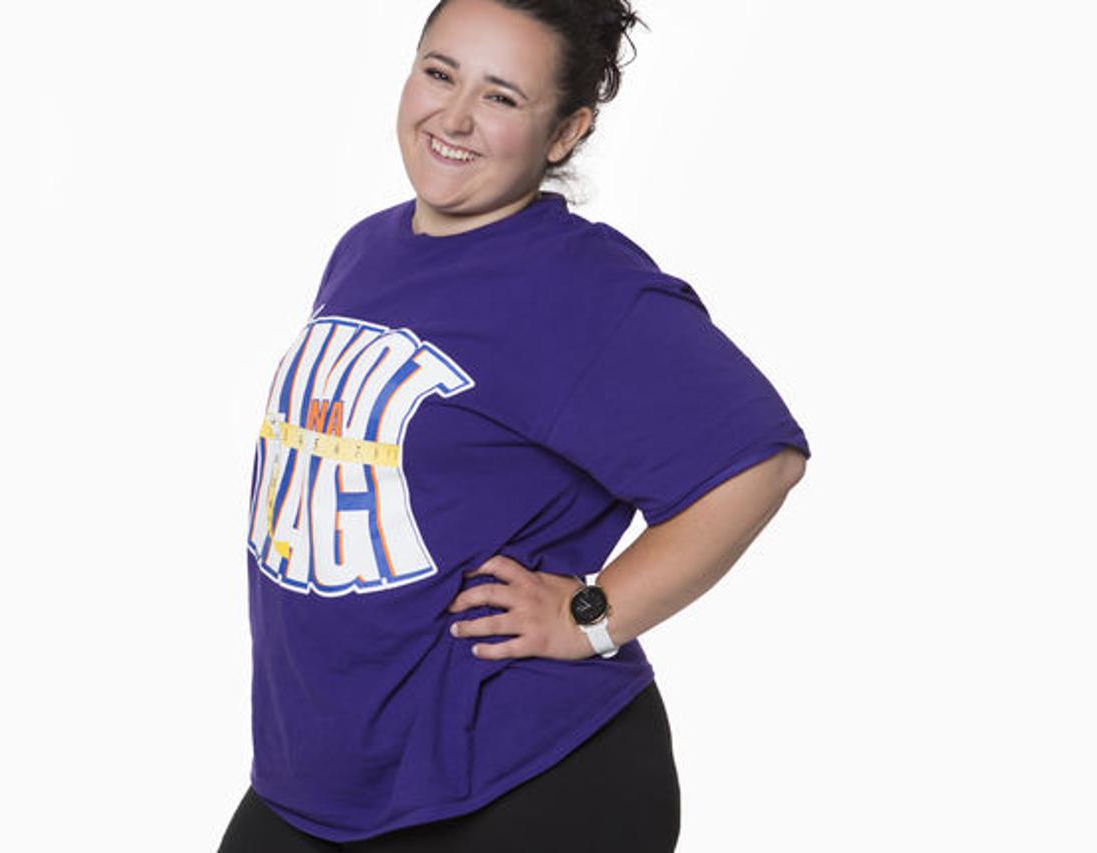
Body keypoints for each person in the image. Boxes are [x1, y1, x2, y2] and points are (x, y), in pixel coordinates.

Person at [217, 0, 810, 850]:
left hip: (518, 777)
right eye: (440, 73)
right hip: (324, 778)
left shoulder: (582, 287)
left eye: (501, 97)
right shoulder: (367, 249)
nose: (454, 117)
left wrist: (592, 614)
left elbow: (758, 461)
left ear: (565, 133)